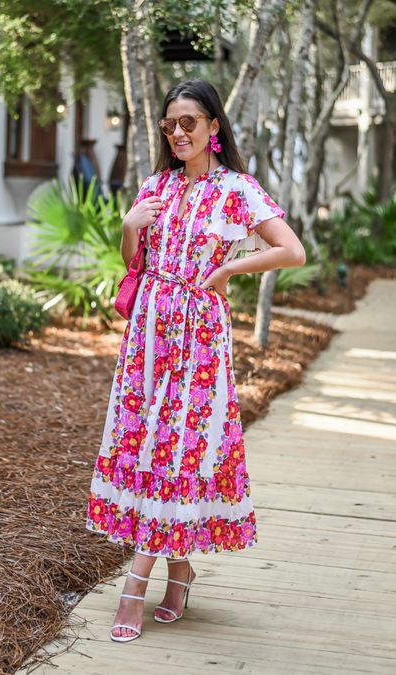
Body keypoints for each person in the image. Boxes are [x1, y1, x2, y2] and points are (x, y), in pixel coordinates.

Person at [86, 79, 306, 643]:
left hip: (198, 336)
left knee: (174, 450)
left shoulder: (238, 188)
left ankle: (135, 584)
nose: (178, 132)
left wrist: (231, 268)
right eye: (170, 124)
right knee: (145, 447)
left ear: (214, 128)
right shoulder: (155, 185)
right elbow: (134, 261)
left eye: (189, 122)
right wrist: (129, 226)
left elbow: (292, 248)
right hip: (147, 335)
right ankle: (179, 572)